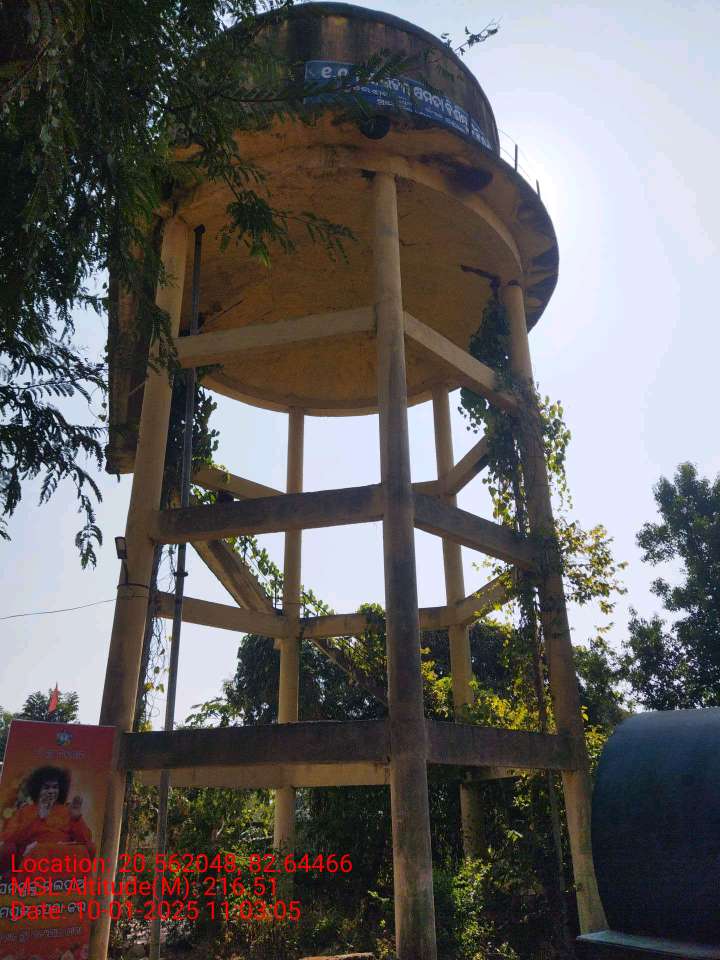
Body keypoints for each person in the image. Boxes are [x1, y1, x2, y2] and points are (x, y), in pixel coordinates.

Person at [0, 766, 95, 876]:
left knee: (84, 849)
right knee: (37, 850)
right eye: (46, 787)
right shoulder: (25, 811)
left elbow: (85, 841)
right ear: (37, 789)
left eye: (55, 787)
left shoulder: (67, 810)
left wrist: (77, 819)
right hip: (33, 854)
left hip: (61, 855)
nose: (51, 791)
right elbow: (9, 838)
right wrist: (38, 818)